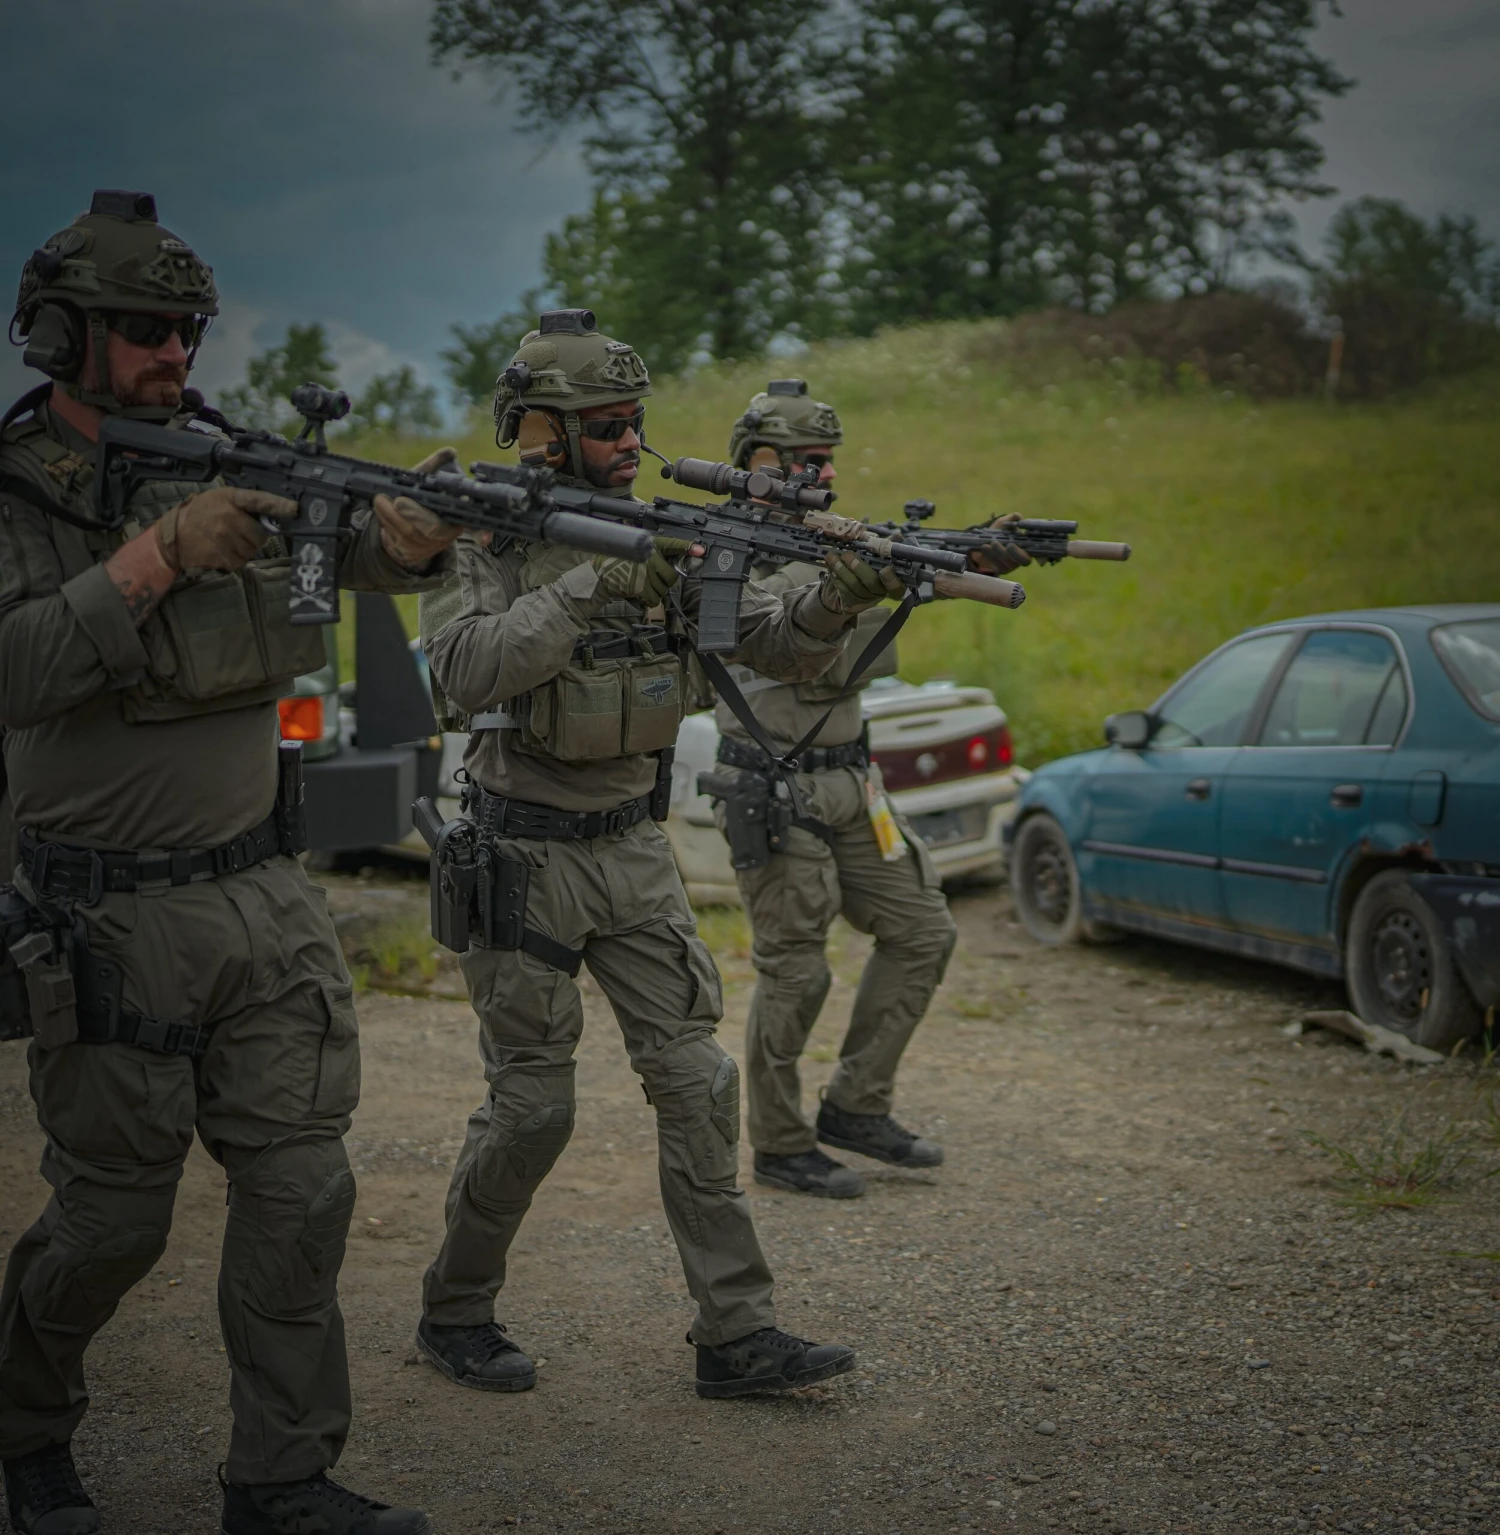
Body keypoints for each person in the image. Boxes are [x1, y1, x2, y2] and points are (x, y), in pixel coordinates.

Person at [0, 192, 459, 1535]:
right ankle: (25, 1430)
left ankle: (284, 1473)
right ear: (59, 332)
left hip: (263, 895)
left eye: (186, 330)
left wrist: (412, 541)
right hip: (105, 917)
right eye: (144, 329)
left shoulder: (226, 455)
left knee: (302, 1189)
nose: (173, 355)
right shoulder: (19, 490)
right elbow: (15, 665)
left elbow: (361, 546)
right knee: (111, 1223)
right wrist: (155, 557)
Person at [413, 312, 890, 1401]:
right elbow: (463, 671)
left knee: (698, 1080)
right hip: (520, 856)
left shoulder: (664, 528)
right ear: (538, 430)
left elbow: (770, 638)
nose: (633, 440)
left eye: (636, 420)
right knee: (534, 1106)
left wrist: (839, 593)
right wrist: (595, 581)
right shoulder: (480, 532)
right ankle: (456, 1306)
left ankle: (736, 1330)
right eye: (607, 424)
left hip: (632, 848)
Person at [709, 381, 1029, 1199]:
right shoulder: (725, 556)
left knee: (923, 930)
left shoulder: (838, 543)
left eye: (829, 462)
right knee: (797, 971)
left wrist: (970, 553)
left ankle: (856, 1104)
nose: (826, 477)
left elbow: (897, 571)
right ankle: (780, 1145)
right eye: (810, 461)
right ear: (760, 463)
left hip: (854, 778)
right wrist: (860, 583)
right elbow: (788, 647)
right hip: (775, 786)